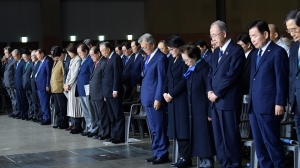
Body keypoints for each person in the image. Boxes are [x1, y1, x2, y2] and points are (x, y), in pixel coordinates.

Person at [247, 19, 288, 168]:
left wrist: (280, 102)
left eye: (255, 36)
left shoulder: (278, 52)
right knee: (260, 146)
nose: (252, 40)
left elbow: (281, 79)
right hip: (254, 106)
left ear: (265, 34)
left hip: (269, 106)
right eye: (250, 37)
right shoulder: (255, 54)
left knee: (272, 143)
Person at [207, 20, 245, 168]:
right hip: (215, 101)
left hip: (227, 100)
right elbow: (210, 73)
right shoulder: (216, 52)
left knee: (230, 135)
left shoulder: (236, 50)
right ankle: (224, 163)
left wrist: (217, 93)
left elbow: (232, 75)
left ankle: (234, 164)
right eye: (211, 36)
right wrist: (209, 90)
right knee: (219, 136)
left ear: (223, 33)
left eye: (215, 35)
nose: (213, 39)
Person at [181, 44, 215, 168]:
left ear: (194, 57)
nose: (185, 63)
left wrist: (210, 112)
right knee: (197, 137)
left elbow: (209, 90)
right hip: (194, 109)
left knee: (204, 137)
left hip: (203, 110)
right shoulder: (192, 69)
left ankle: (207, 162)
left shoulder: (204, 68)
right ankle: (202, 161)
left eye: (186, 60)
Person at [139, 33, 169, 164]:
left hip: (154, 99)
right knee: (153, 129)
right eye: (142, 48)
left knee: (159, 128)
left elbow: (161, 81)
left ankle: (163, 153)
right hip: (147, 97)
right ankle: (156, 152)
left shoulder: (160, 58)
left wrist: (158, 98)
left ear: (152, 44)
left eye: (145, 47)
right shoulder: (149, 56)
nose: (144, 50)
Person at [163, 35, 190, 167]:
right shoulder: (172, 60)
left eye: (172, 49)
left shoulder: (184, 60)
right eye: (169, 49)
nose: (170, 52)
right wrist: (164, 92)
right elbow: (167, 78)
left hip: (181, 99)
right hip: (172, 99)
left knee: (183, 129)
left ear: (179, 48)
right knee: (176, 130)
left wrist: (172, 94)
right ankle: (181, 157)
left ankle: (186, 157)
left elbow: (184, 80)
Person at [100, 41, 125, 144]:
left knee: (117, 114)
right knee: (112, 115)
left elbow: (117, 75)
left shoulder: (116, 58)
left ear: (108, 49)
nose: (101, 53)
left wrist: (115, 90)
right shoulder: (108, 59)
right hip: (108, 92)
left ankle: (120, 136)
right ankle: (114, 135)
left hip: (114, 91)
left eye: (102, 50)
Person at [88, 46, 110, 140]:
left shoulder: (103, 63)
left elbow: (104, 80)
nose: (91, 57)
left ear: (98, 53)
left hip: (100, 93)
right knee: (97, 115)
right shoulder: (96, 63)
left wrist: (104, 94)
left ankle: (106, 132)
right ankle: (101, 131)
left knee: (103, 115)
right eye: (90, 55)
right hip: (94, 93)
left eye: (93, 55)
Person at [285, 9, 300, 144]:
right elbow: (291, 75)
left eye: (294, 29)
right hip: (296, 103)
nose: (292, 34)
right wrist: (291, 100)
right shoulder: (294, 47)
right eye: (289, 31)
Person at [76, 43, 95, 137]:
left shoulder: (89, 60)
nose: (79, 54)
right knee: (85, 111)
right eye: (78, 53)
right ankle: (88, 127)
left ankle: (93, 128)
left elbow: (92, 75)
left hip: (87, 89)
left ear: (86, 51)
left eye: (80, 52)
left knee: (90, 110)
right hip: (81, 89)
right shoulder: (83, 60)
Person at [64, 43, 82, 134]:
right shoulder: (72, 60)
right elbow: (69, 73)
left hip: (74, 85)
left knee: (75, 106)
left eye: (69, 52)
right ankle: (73, 123)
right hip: (70, 85)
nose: (68, 54)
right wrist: (66, 83)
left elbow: (75, 74)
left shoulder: (78, 59)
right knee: (71, 106)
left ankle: (77, 125)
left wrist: (69, 84)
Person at [50, 47, 69, 129]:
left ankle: (64, 122)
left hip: (60, 88)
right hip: (54, 88)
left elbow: (65, 74)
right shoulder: (55, 62)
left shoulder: (62, 62)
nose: (55, 59)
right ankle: (59, 122)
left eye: (57, 57)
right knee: (57, 108)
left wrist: (64, 85)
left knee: (62, 107)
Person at [35, 48, 54, 125]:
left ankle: (47, 118)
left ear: (42, 54)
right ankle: (44, 116)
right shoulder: (41, 62)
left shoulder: (47, 61)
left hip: (44, 86)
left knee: (45, 103)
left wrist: (47, 85)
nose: (37, 57)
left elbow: (48, 74)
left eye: (38, 55)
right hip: (39, 86)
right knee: (42, 103)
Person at [13, 49, 28, 120]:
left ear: (19, 55)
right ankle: (21, 112)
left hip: (21, 85)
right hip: (17, 84)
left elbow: (23, 74)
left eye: (15, 56)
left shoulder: (23, 62)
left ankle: (25, 113)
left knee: (23, 100)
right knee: (19, 100)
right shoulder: (16, 63)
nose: (14, 58)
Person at [3, 46, 18, 118]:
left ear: (10, 53)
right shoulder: (7, 61)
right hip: (7, 83)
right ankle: (14, 111)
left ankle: (17, 111)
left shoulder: (14, 61)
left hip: (11, 82)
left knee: (14, 97)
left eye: (6, 53)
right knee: (12, 98)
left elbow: (15, 72)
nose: (5, 54)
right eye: (4, 53)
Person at [21, 48, 34, 120]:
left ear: (29, 56)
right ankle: (30, 114)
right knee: (29, 100)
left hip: (29, 85)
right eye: (23, 57)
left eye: (25, 57)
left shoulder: (32, 63)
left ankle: (32, 115)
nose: (24, 59)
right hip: (25, 86)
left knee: (32, 101)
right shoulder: (26, 63)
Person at [30, 50, 42, 123]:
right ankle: (36, 115)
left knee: (38, 102)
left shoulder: (39, 63)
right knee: (35, 102)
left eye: (33, 56)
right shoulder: (33, 64)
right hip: (33, 86)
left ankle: (40, 116)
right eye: (31, 56)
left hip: (37, 86)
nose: (32, 57)